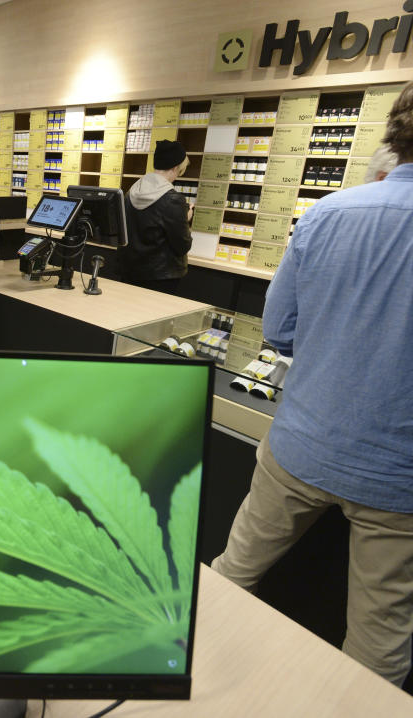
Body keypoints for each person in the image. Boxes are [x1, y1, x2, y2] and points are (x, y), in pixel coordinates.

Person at [211, 81, 413, 688]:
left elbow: (279, 329)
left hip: (299, 444)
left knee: (232, 572)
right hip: (398, 480)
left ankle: (178, 685)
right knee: (378, 643)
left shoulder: (330, 211)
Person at [117, 139, 193, 294]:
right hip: (161, 278)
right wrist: (185, 218)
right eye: (180, 171)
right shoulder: (173, 199)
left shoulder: (131, 191)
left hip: (129, 272)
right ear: (175, 167)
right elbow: (182, 246)